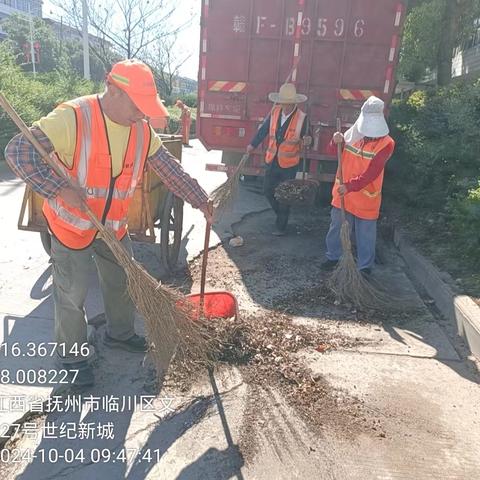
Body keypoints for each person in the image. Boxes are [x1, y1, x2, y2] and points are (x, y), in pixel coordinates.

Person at [4, 59, 212, 386]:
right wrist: (58, 189)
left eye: (147, 108)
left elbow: (169, 170)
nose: (143, 114)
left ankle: (120, 334)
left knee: (122, 282)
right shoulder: (74, 117)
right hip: (71, 226)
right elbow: (18, 152)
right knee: (72, 292)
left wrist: (200, 198)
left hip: (113, 228)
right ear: (112, 88)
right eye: (138, 105)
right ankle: (72, 356)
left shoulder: (142, 131)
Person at [322, 96, 395, 275]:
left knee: (366, 234)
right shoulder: (353, 134)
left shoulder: (387, 144)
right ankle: (333, 257)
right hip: (343, 194)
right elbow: (332, 152)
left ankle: (365, 268)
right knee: (337, 228)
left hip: (365, 196)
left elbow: (372, 173)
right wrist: (335, 141)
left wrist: (349, 186)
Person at [246, 83, 311, 236]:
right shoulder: (275, 112)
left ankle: (281, 226)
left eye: (288, 104)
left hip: (289, 164)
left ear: (294, 103)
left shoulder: (303, 118)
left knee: (285, 196)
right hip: (272, 160)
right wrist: (252, 144)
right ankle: (280, 216)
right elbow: (263, 130)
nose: (285, 106)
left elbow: (309, 139)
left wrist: (309, 140)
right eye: (283, 103)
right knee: (268, 191)